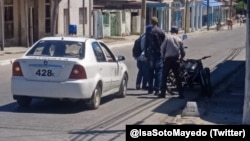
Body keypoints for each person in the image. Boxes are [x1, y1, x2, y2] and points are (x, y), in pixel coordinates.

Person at [159, 26, 185, 99]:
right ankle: (181, 94)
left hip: (168, 60)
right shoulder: (179, 39)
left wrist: (163, 57)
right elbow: (183, 52)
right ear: (177, 32)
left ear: (171, 31)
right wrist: (181, 58)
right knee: (177, 77)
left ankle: (162, 93)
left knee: (164, 76)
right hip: (176, 60)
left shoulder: (167, 38)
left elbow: (162, 48)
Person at [144, 17, 166, 95]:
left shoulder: (149, 32)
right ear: (157, 22)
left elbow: (146, 44)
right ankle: (157, 89)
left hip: (151, 55)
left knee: (150, 71)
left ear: (151, 22)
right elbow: (164, 43)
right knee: (158, 71)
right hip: (159, 54)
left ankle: (150, 89)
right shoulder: (161, 32)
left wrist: (145, 55)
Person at [135, 25, 152, 90]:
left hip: (139, 56)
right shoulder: (147, 37)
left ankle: (138, 84)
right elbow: (146, 47)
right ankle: (144, 85)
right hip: (144, 56)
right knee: (146, 71)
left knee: (141, 71)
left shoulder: (142, 36)